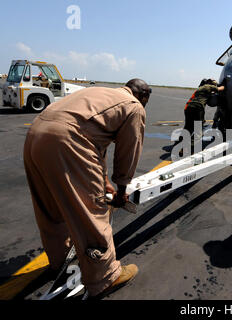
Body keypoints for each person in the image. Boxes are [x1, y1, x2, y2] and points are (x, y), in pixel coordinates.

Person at [23, 79, 151, 298]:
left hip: (36, 135)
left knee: (50, 209)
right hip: (67, 141)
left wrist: (105, 182)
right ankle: (106, 276)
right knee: (92, 210)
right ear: (144, 95)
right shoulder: (133, 105)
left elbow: (94, 145)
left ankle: (60, 260)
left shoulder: (98, 93)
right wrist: (120, 191)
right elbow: (128, 152)